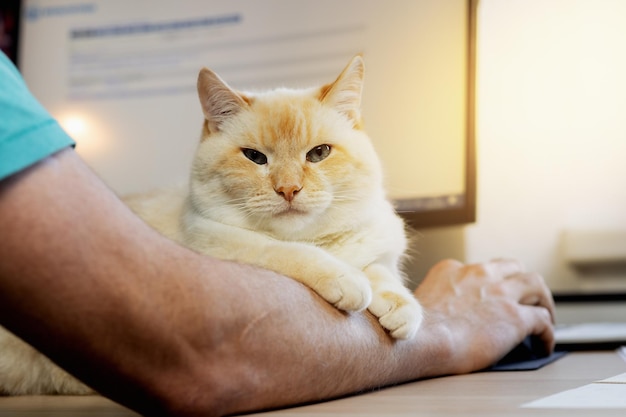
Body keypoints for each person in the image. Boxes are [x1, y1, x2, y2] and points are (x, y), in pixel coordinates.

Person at [0, 51, 555, 417]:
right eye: (258, 158)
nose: (289, 185)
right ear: (214, 125)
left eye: (318, 154)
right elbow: (196, 349)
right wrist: (447, 332)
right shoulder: (202, 229)